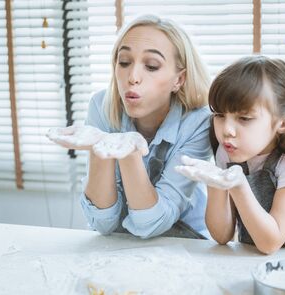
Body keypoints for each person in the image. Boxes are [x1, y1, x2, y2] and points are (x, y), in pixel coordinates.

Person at [47, 15, 212, 239]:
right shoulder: (101, 106)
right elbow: (101, 223)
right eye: (124, 62)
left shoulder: (199, 122)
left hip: (186, 242)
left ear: (179, 79)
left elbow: (151, 224)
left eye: (151, 66)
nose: (132, 77)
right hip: (121, 244)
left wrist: (129, 150)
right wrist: (99, 147)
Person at [176, 56, 285, 253]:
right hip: (257, 262)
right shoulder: (227, 154)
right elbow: (221, 236)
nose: (227, 129)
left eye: (244, 118)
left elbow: (270, 242)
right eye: (219, 115)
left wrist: (238, 185)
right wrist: (215, 184)